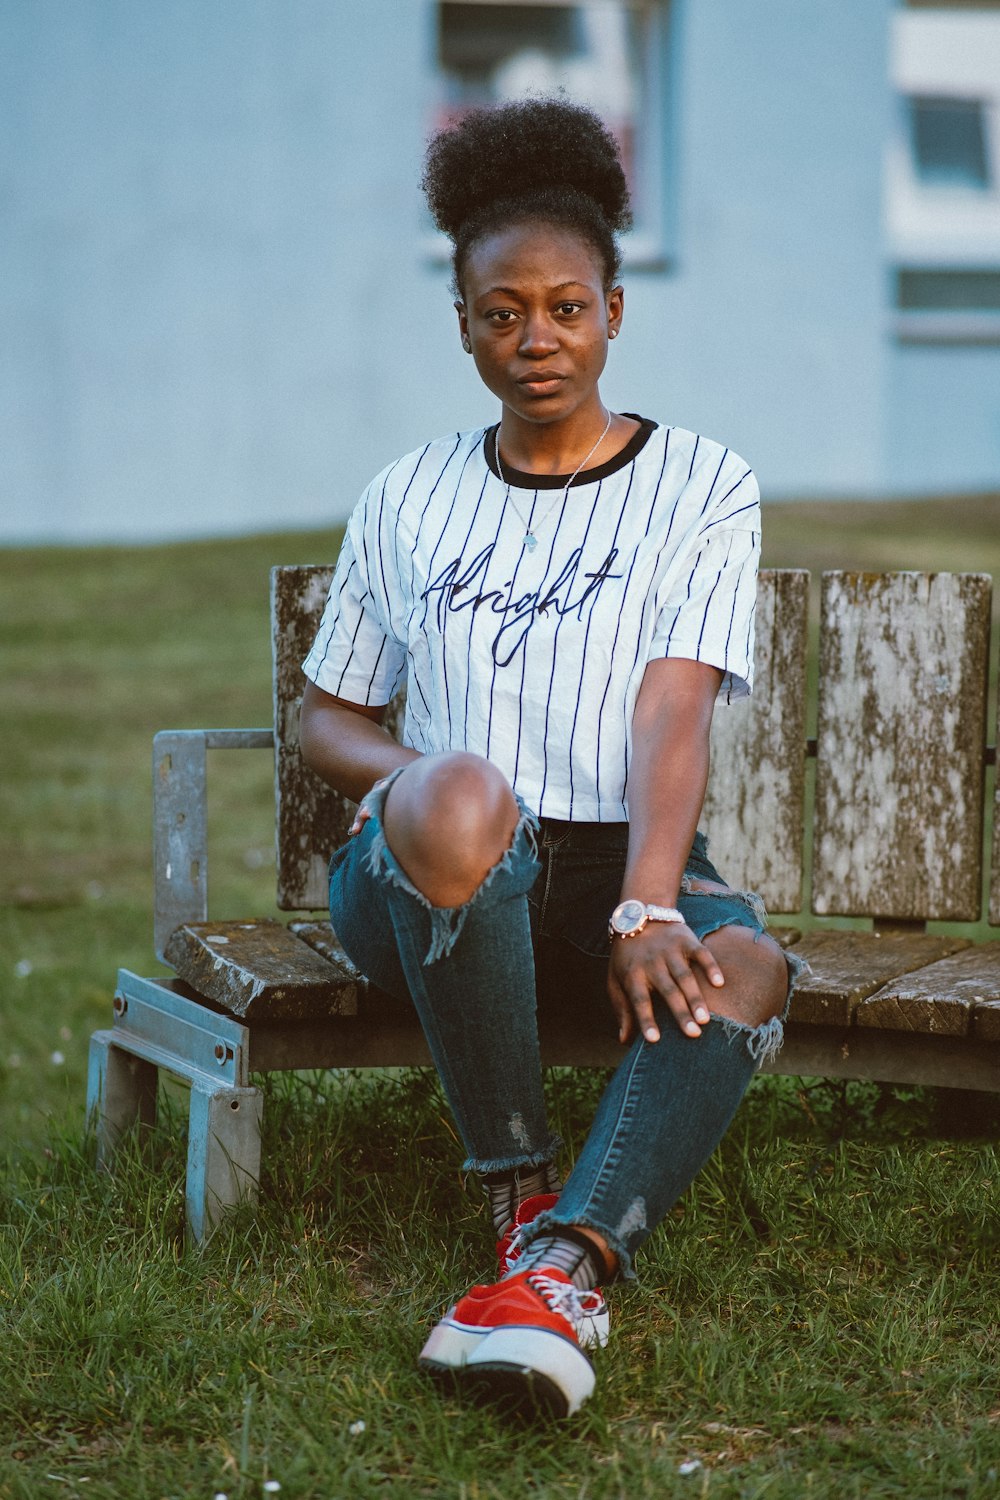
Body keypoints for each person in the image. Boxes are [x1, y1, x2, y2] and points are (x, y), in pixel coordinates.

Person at [299, 97, 797, 1419]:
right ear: (461, 321)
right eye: (501, 312)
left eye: (566, 309)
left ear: (615, 311)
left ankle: (564, 1265)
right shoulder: (407, 495)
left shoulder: (703, 482)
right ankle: (509, 1176)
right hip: (431, 882)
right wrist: (417, 790)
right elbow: (327, 715)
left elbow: (671, 711)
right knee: (463, 797)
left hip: (609, 868)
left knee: (746, 962)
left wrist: (648, 899)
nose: (536, 340)